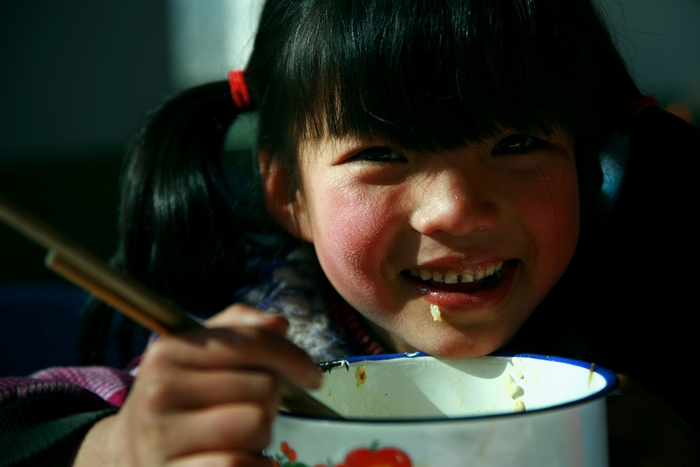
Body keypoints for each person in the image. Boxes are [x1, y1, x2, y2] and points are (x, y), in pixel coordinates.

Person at [1, 0, 698, 465]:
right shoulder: (243, 370)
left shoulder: (653, 341)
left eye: (516, 144)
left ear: (582, 166)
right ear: (287, 193)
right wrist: (119, 448)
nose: (454, 210)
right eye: (383, 155)